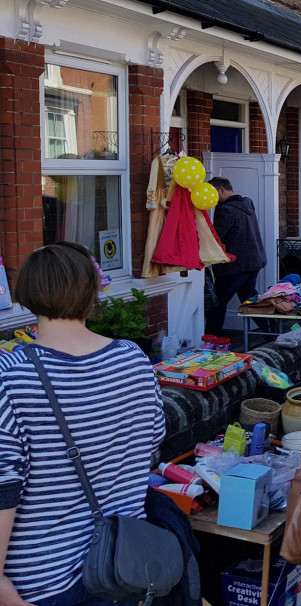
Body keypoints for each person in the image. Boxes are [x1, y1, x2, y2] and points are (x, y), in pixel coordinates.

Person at [2, 242, 165, 605]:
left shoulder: (12, 377)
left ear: (26, 293)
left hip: (41, 579)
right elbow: (153, 439)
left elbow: (4, 485)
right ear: (93, 291)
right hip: (121, 566)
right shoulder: (134, 358)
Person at [205, 177, 266, 336]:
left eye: (213, 194)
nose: (212, 199)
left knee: (218, 302)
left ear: (220, 190)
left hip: (235, 266)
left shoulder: (226, 210)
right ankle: (270, 332)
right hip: (254, 261)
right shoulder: (247, 203)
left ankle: (211, 339)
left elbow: (215, 237)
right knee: (250, 299)